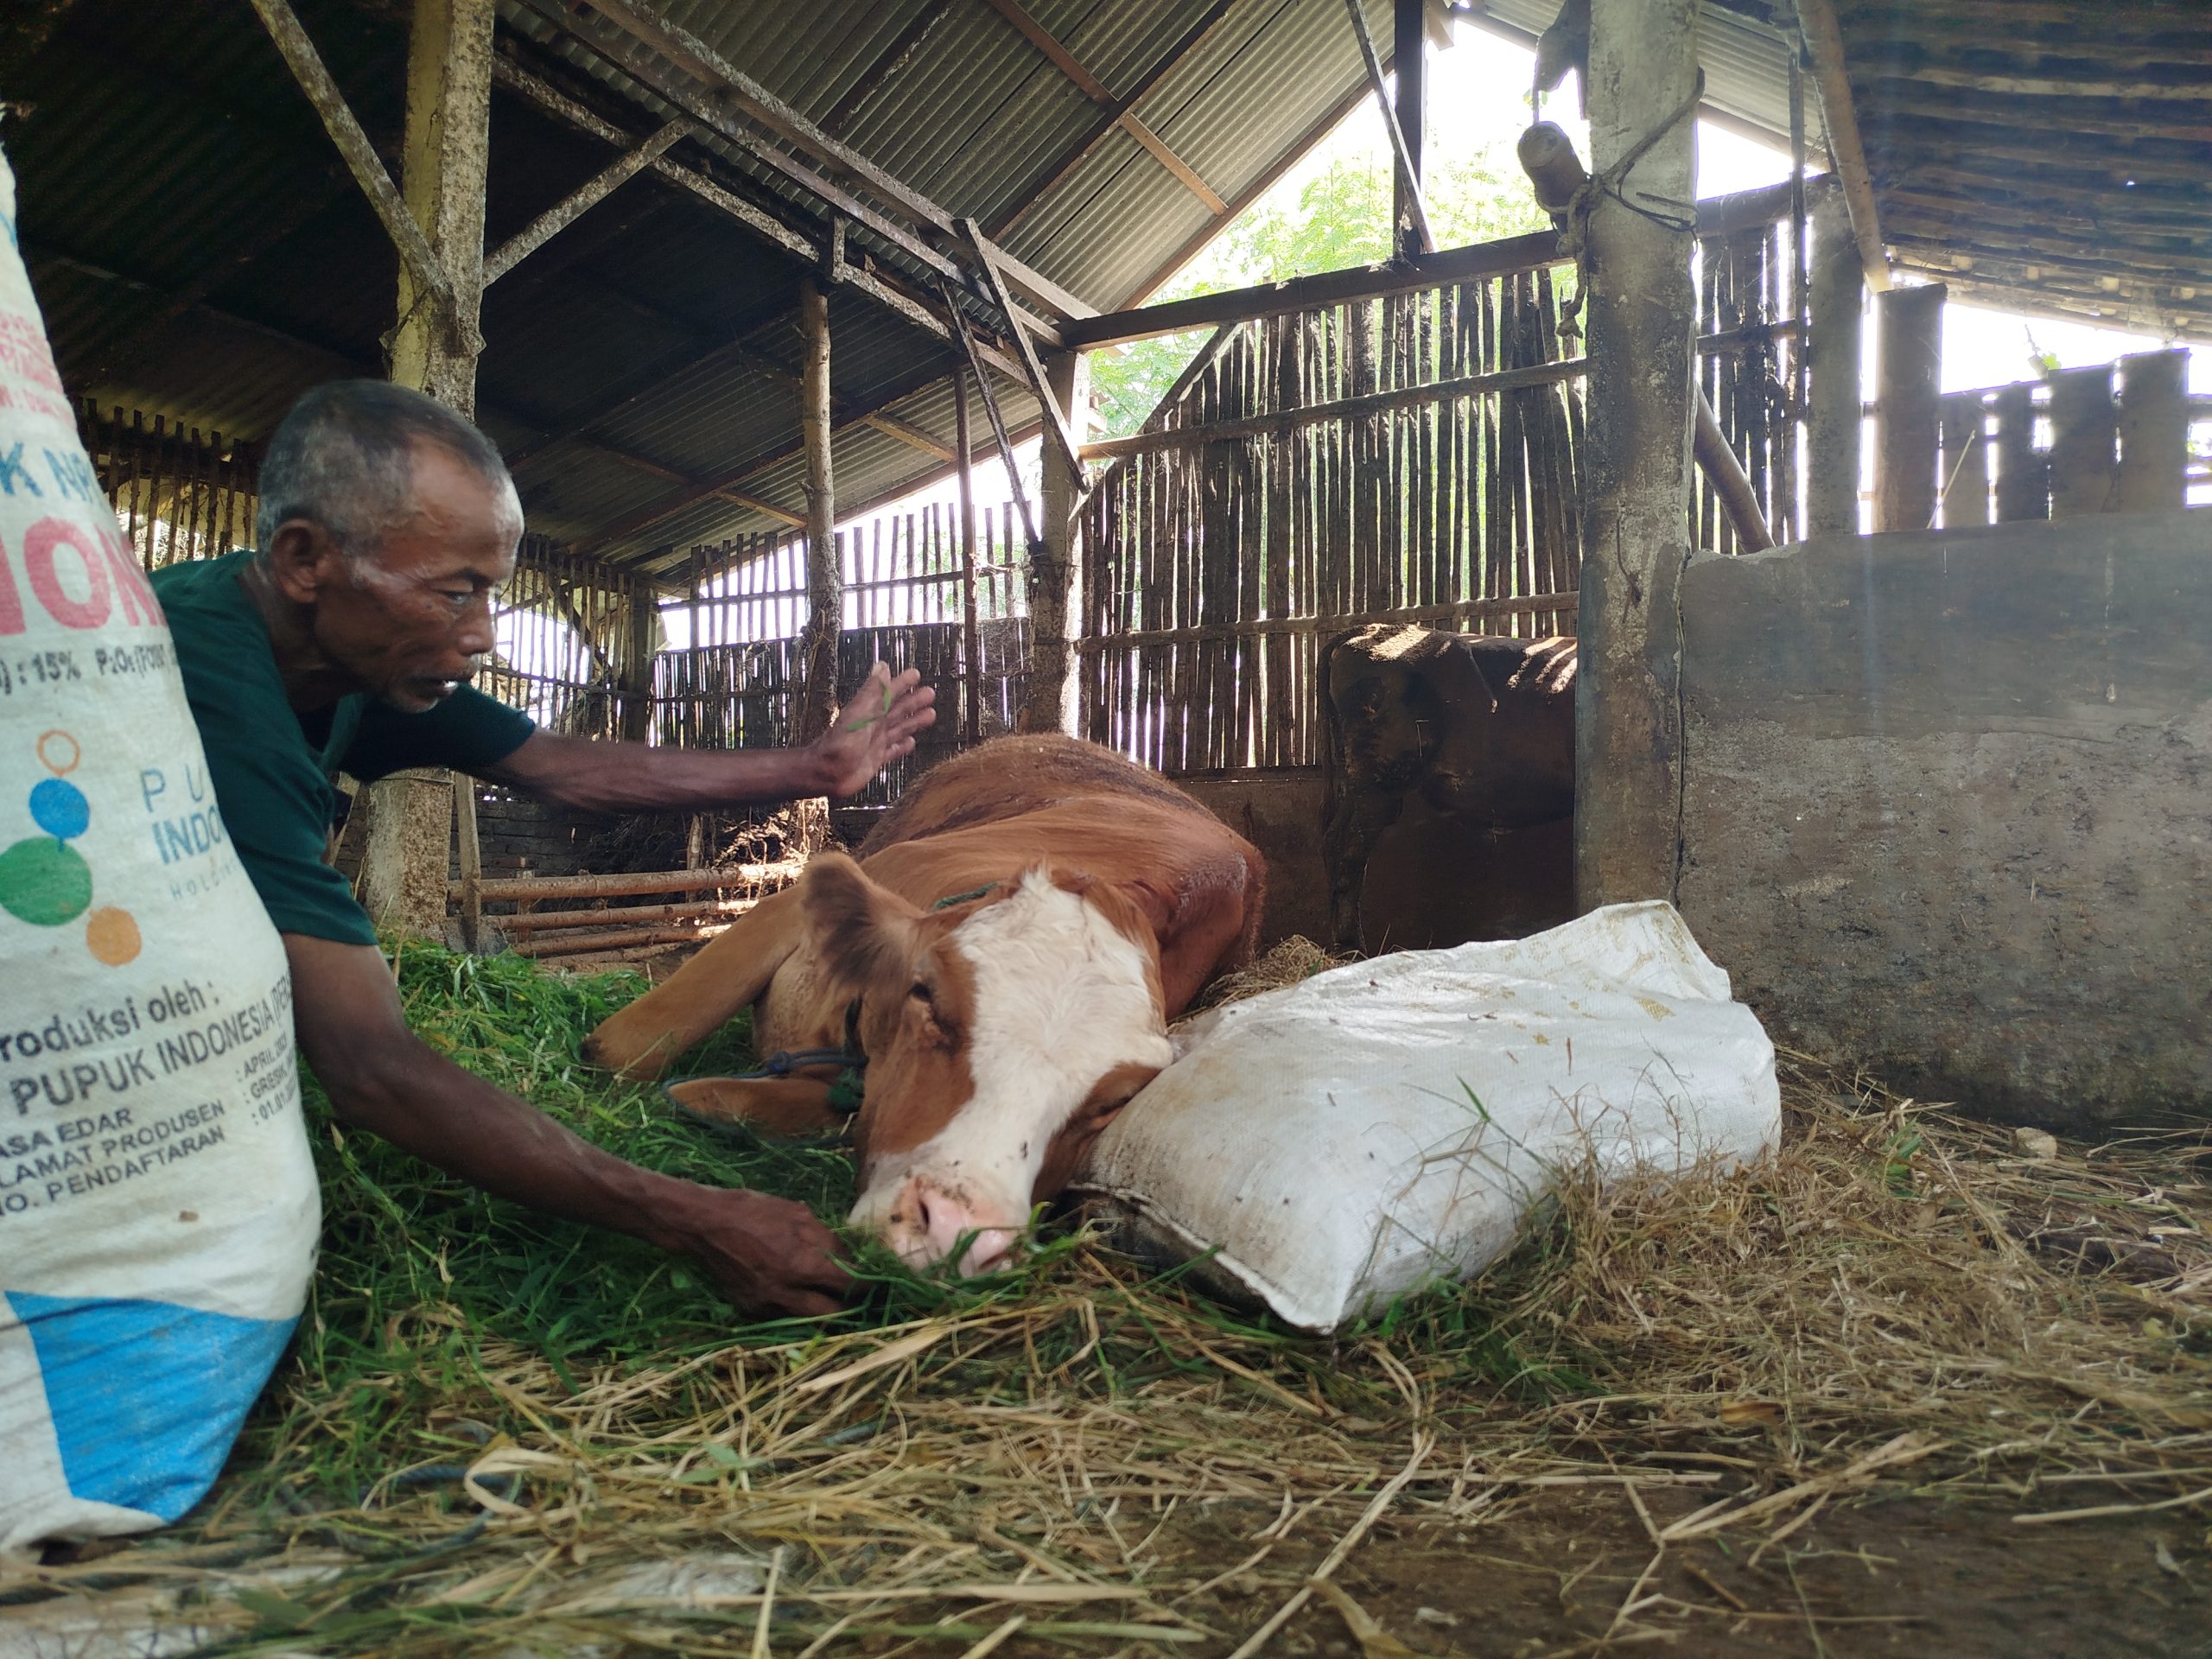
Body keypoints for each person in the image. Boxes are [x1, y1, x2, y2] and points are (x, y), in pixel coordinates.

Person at [151, 380, 935, 1319]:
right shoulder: (211, 689)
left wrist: (813, 767)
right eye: (454, 593)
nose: (481, 634)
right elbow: (368, 1067)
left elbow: (562, 767)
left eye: (488, 592)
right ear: (305, 558)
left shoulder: (343, 657)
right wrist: (688, 1215)